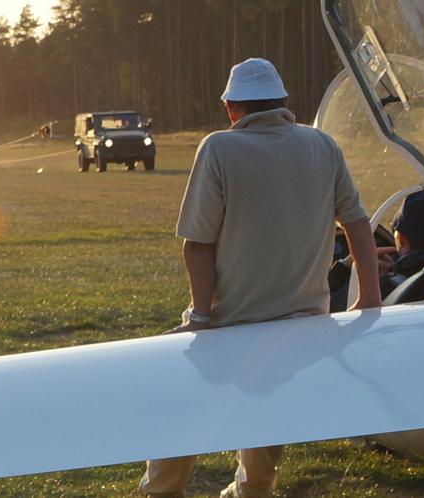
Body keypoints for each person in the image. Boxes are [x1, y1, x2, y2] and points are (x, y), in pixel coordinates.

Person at [144, 58, 382, 498]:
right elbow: (358, 223)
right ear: (284, 103)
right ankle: (252, 490)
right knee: (269, 414)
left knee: (180, 402)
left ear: (233, 107)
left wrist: (198, 314)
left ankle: (162, 490)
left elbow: (197, 243)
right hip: (303, 330)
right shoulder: (323, 145)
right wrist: (369, 297)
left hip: (230, 324)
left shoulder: (218, 148)